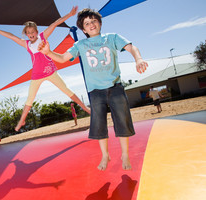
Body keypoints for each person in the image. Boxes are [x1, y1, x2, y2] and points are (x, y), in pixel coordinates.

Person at [38, 8, 148, 170]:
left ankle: (125, 154)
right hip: (95, 91)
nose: (91, 24)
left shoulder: (112, 38)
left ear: (100, 22)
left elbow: (132, 47)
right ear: (83, 29)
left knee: (122, 121)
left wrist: (138, 59)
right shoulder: (80, 45)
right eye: (87, 23)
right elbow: (62, 59)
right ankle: (105, 155)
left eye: (94, 21)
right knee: (99, 125)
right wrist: (48, 52)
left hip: (115, 86)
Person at [0, 6, 90, 131]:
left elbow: (54, 24)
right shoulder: (26, 44)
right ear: (26, 34)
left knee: (66, 90)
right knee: (30, 98)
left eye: (33, 32)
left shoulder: (42, 36)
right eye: (28, 33)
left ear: (36, 32)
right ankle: (22, 120)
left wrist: (69, 15)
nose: (31, 34)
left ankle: (85, 108)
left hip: (51, 72)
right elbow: (11, 36)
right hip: (37, 75)